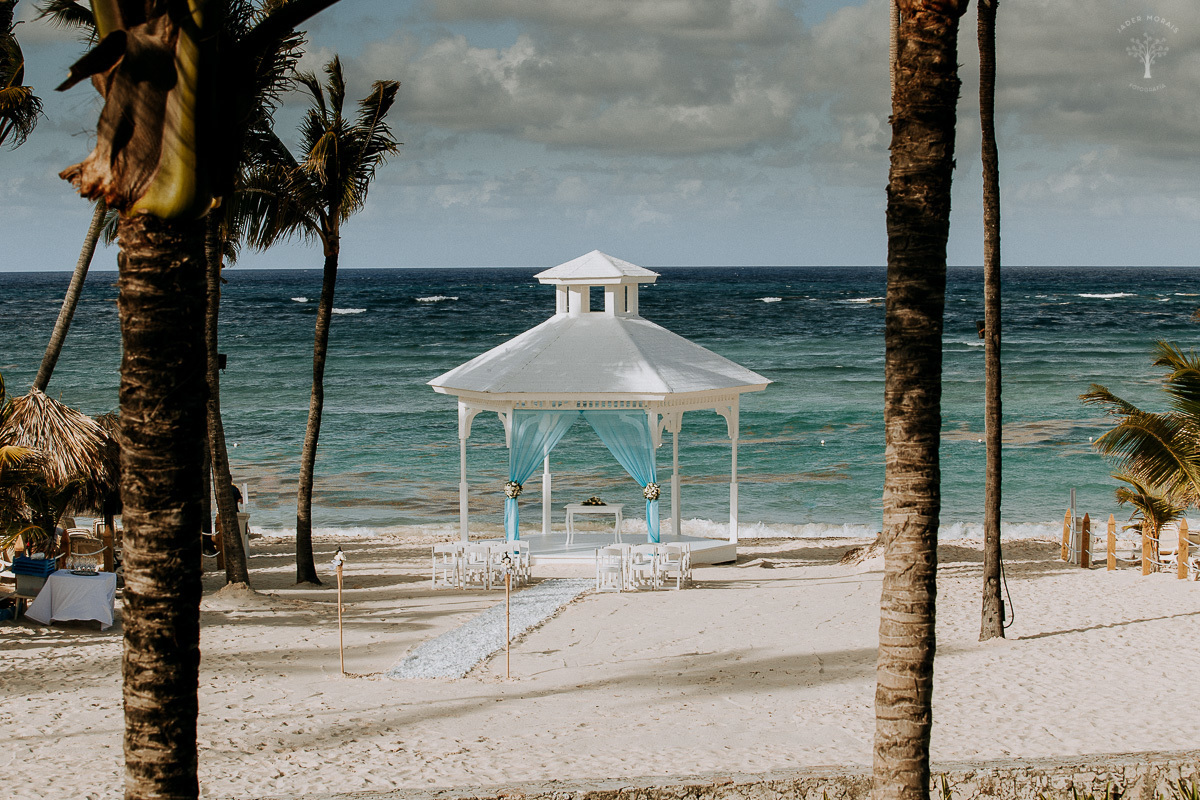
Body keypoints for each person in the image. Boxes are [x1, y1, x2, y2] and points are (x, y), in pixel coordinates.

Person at [203, 484, 243, 556]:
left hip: (222, 513)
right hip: (234, 512)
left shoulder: (220, 488)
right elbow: (240, 500)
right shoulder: (234, 488)